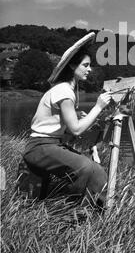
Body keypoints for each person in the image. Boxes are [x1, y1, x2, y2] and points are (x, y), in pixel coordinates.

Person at [22, 37, 111, 208]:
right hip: (40, 146)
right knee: (86, 168)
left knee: (97, 171)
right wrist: (98, 107)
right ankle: (68, 213)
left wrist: (78, 115)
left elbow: (63, 127)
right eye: (85, 65)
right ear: (72, 66)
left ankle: (98, 211)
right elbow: (76, 130)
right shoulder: (64, 91)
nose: (89, 69)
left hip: (49, 145)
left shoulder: (64, 89)